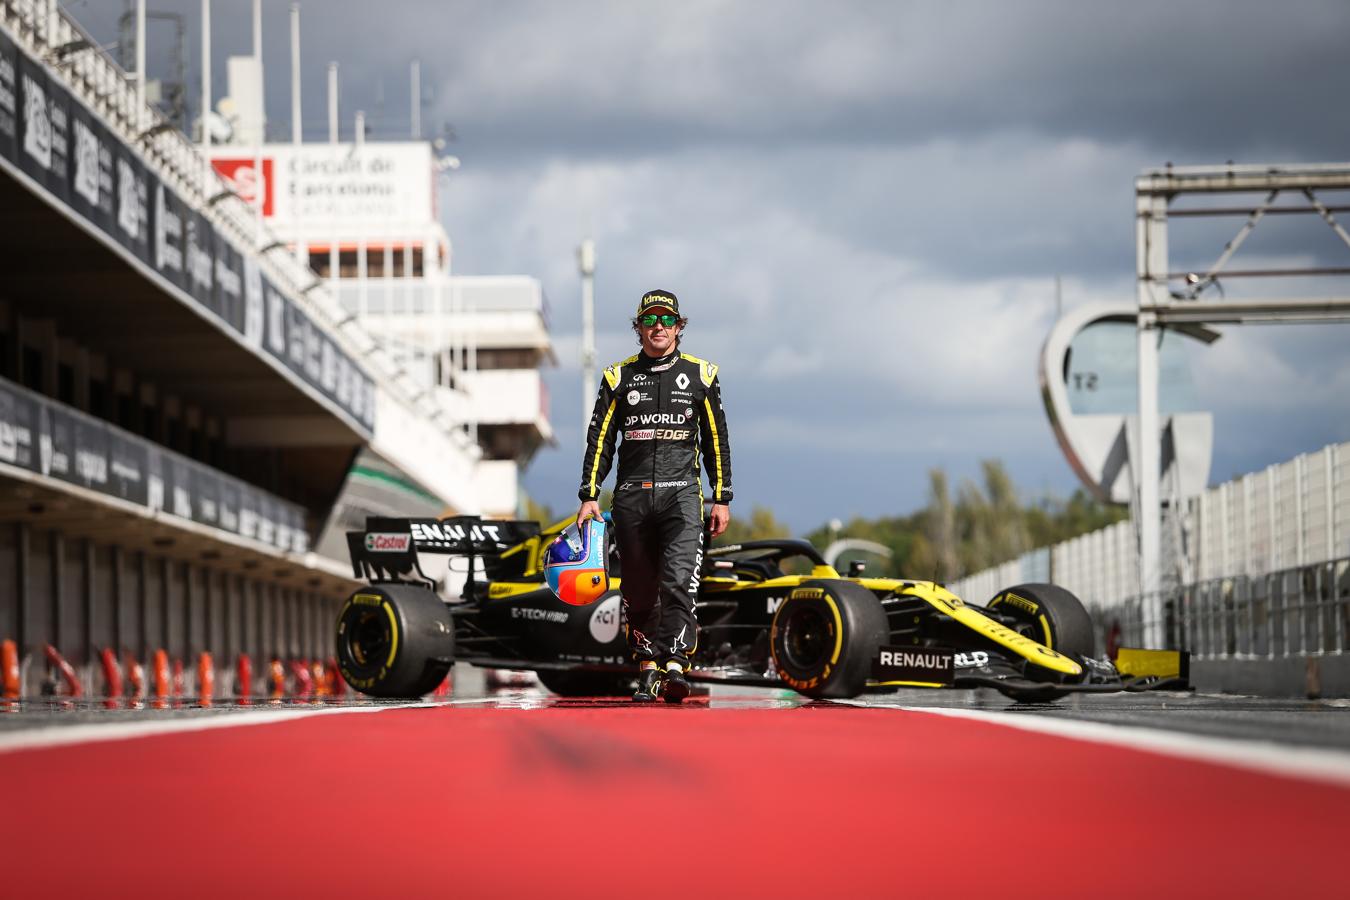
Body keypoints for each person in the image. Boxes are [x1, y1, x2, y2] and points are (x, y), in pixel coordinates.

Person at [576, 289, 733, 702]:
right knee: (640, 589)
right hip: (631, 497)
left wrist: (722, 496)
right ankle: (647, 668)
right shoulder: (617, 377)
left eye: (666, 320)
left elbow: (717, 441)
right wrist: (590, 494)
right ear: (638, 328)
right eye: (649, 321)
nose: (658, 327)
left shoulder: (702, 374)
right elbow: (600, 440)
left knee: (679, 581)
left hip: (682, 495)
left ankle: (677, 665)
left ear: (679, 327)